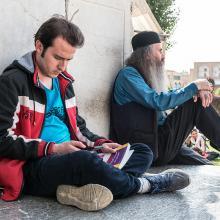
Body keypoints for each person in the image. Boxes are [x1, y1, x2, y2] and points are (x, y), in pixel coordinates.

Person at [0, 18, 190, 212]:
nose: (63, 67)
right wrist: (54, 149)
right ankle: (146, 184)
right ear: (39, 46)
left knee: (142, 151)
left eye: (68, 60)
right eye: (58, 58)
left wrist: (100, 144)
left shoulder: (63, 82)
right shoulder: (12, 82)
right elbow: (2, 141)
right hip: (33, 165)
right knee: (85, 161)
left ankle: (81, 188)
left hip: (74, 155)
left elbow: (79, 128)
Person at [110, 31, 220, 166]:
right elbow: (157, 101)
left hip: (159, 142)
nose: (163, 56)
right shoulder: (128, 75)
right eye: (160, 51)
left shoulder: (144, 77)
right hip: (147, 148)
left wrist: (194, 92)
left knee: (206, 166)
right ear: (146, 54)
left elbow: (167, 96)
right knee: (194, 104)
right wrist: (194, 87)